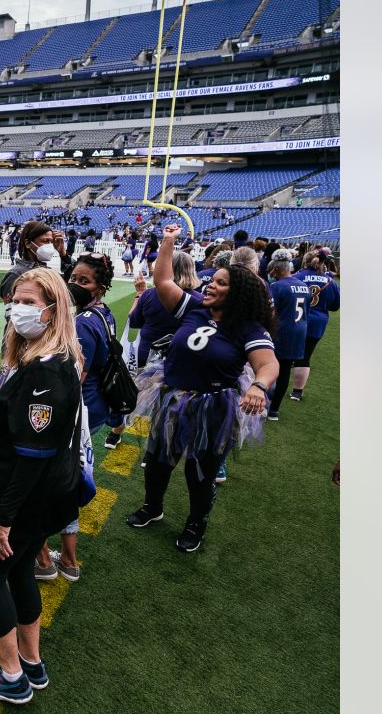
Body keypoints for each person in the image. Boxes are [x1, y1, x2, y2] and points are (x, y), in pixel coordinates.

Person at [0, 267, 83, 705]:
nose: (17, 309)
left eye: (29, 302)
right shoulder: (51, 359)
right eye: (15, 300)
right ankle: (31, 660)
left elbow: (32, 458)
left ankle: (10, 675)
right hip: (48, 495)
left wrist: (1, 521)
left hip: (26, 496)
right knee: (22, 567)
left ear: (53, 310)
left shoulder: (45, 370)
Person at [124, 224, 279, 552]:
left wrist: (259, 387)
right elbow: (163, 281)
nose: (210, 284)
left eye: (220, 283)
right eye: (212, 279)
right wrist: (168, 242)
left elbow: (268, 364)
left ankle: (196, 523)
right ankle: (153, 507)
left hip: (211, 407)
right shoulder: (196, 308)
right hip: (172, 397)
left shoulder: (247, 327)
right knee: (158, 462)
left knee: (200, 472)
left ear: (236, 294)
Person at [34, 251, 114, 582]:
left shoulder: (82, 323)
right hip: (93, 408)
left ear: (100, 287)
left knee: (44, 484)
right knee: (68, 481)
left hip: (75, 413)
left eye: (83, 281)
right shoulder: (103, 314)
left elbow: (72, 377)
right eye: (73, 278)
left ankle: (43, 559)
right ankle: (68, 559)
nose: (74, 285)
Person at [126, 251, 202, 370]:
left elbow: (134, 321)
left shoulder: (148, 295)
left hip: (147, 357)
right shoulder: (200, 299)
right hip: (179, 360)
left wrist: (139, 294)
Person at [289, 248, 340, 402]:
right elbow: (335, 306)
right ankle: (297, 393)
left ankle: (273, 387)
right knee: (305, 357)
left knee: (284, 356)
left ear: (305, 261)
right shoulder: (331, 282)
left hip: (295, 320)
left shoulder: (296, 277)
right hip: (317, 323)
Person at [265, 251, 309, 421]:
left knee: (268, 367)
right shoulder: (302, 285)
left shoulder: (277, 287)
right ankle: (274, 410)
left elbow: (270, 313)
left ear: (276, 269)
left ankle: (264, 404)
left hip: (281, 331)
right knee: (284, 370)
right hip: (299, 330)